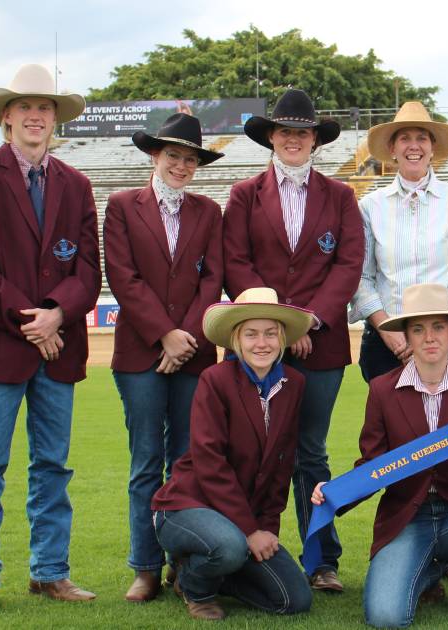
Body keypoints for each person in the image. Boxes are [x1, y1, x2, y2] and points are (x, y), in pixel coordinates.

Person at [0, 63, 100, 618]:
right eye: (26, 107)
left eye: (47, 108)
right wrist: (31, 321)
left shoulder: (76, 184)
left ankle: (49, 573)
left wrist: (57, 313)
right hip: (3, 347)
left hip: (58, 347)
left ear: (55, 120)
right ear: (6, 118)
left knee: (52, 468)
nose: (37, 115)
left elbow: (88, 268)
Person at [316, 283, 448, 627]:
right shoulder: (383, 389)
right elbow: (373, 464)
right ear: (407, 337)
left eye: (437, 327)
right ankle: (429, 572)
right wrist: (333, 495)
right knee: (386, 618)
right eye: (418, 329)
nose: (429, 337)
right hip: (407, 518)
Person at [223, 88, 365, 592]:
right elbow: (235, 262)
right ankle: (242, 551)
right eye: (285, 131)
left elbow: (348, 265)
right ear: (271, 138)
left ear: (315, 140)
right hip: (258, 344)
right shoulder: (243, 195)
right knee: (248, 449)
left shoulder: (342, 196)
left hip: (320, 346)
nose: (294, 139)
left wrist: (310, 322)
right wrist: (280, 325)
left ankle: (321, 557)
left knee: (310, 452)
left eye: (302, 132)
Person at [103, 113, 225, 602]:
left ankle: (182, 561)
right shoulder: (121, 207)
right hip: (141, 355)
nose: (180, 165)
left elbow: (211, 280)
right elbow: (123, 276)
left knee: (188, 462)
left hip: (193, 355)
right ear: (155, 156)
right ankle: (146, 565)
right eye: (173, 155)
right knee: (146, 461)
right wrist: (164, 335)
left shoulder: (208, 212)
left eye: (189, 158)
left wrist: (186, 338)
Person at [151, 287, 314, 620]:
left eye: (271, 333)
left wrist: (267, 528)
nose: (262, 343)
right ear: (236, 340)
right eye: (251, 334)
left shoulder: (294, 384)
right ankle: (194, 584)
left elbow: (282, 466)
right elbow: (210, 464)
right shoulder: (215, 380)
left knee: (294, 600)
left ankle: (217, 571)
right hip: (189, 505)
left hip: (244, 518)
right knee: (229, 547)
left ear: (282, 338)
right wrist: (249, 530)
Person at [351, 101, 448, 382]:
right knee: (396, 424)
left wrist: (436, 333)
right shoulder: (370, 206)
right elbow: (361, 277)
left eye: (422, 138)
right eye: (405, 139)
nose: (414, 146)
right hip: (389, 343)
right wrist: (390, 331)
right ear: (392, 149)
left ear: (432, 146)